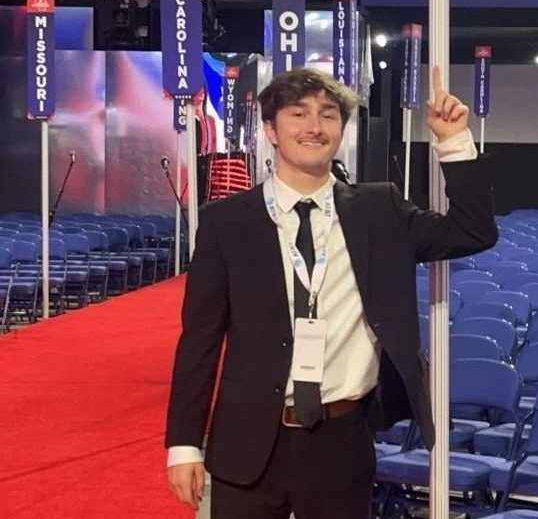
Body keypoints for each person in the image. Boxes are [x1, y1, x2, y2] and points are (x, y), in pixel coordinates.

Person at [165, 66, 497, 518]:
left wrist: (453, 141)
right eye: (298, 113)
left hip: (342, 440)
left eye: (328, 114)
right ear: (271, 130)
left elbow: (472, 231)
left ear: (341, 129)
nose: (314, 126)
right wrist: (184, 443)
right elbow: (199, 341)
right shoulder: (227, 222)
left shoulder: (379, 210)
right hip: (249, 440)